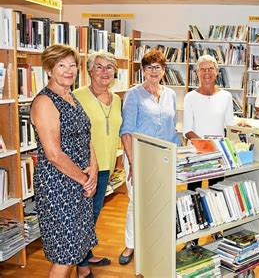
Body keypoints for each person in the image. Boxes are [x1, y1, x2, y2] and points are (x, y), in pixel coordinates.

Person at [30, 44, 98, 278]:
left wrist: (95, 169)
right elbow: (54, 154)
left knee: (75, 248)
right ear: (49, 69)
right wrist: (84, 179)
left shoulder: (70, 96)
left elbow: (84, 135)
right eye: (61, 65)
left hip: (79, 182)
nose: (69, 71)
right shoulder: (44, 102)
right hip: (58, 186)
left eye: (72, 65)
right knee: (64, 253)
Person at [119, 49, 180, 265]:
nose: (154, 71)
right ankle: (130, 245)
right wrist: (134, 164)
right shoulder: (133, 94)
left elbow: (172, 129)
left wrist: (179, 155)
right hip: (139, 156)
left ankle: (156, 241)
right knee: (137, 201)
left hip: (165, 157)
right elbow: (126, 131)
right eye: (149, 67)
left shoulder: (171, 95)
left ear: (164, 70)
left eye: (158, 67)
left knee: (162, 201)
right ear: (143, 70)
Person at [73, 51, 122, 268]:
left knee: (93, 213)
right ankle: (81, 264)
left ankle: (86, 253)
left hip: (106, 166)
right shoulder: (77, 96)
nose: (104, 72)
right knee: (85, 216)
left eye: (109, 67)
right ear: (89, 70)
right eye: (99, 67)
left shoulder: (117, 98)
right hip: (85, 168)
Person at [182, 54, 234, 247]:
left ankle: (215, 231)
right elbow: (187, 129)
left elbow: (230, 125)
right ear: (197, 73)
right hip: (196, 156)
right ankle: (192, 239)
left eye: (210, 68)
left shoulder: (226, 96)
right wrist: (206, 147)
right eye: (202, 69)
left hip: (218, 156)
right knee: (192, 195)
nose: (206, 73)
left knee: (216, 194)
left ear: (217, 72)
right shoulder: (190, 97)